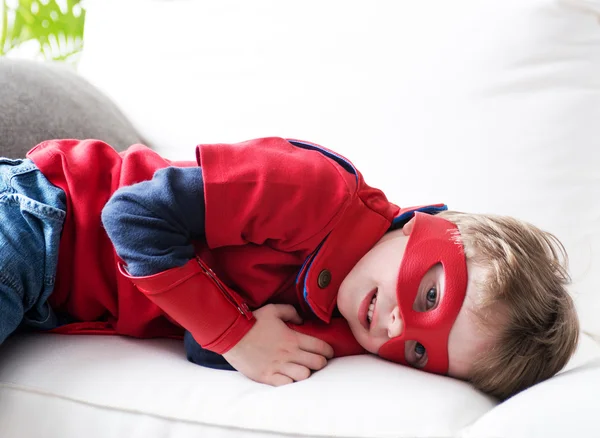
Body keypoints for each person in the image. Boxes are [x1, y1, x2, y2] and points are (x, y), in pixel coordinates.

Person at [0, 137, 578, 400]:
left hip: (48, 305)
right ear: (421, 224)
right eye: (430, 297)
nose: (399, 328)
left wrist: (238, 341)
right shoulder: (312, 191)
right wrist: (239, 333)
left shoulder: (350, 330)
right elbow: (129, 215)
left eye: (422, 353)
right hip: (45, 217)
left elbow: (203, 345)